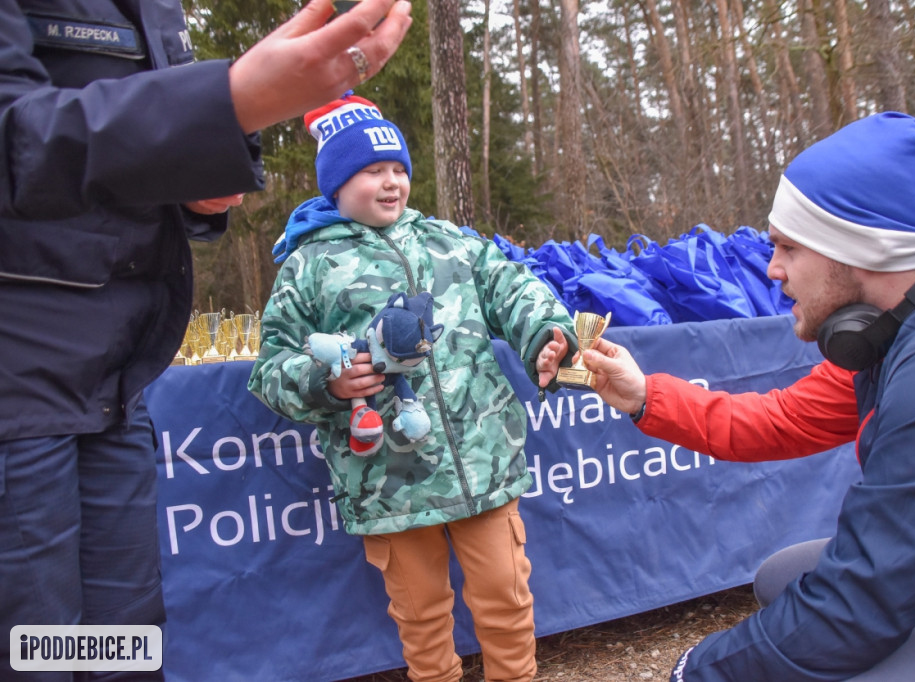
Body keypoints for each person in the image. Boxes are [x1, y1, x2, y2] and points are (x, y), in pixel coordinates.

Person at [0, 0, 411, 679]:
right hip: (22, 380)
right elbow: (18, 139)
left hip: (118, 376)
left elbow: (120, 158)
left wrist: (199, 180)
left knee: (123, 644)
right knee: (32, 646)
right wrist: (228, 102)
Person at [570, 112, 915, 681]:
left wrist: (694, 671)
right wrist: (644, 397)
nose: (771, 268)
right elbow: (781, 420)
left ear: (861, 247)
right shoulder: (898, 325)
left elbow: (856, 606)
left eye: (788, 247)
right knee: (782, 576)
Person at [247, 93, 578, 682]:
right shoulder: (309, 265)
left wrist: (546, 334)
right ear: (337, 184)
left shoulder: (453, 241)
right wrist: (328, 381)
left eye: (398, 168)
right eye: (372, 170)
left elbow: (516, 291)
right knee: (421, 616)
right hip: (387, 484)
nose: (391, 181)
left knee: (506, 598)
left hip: (482, 465)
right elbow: (270, 366)